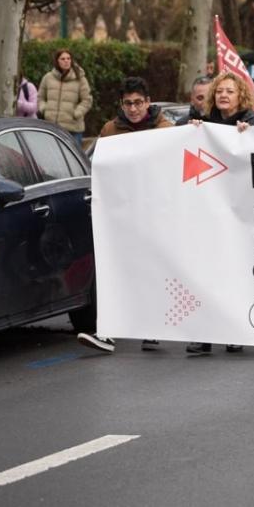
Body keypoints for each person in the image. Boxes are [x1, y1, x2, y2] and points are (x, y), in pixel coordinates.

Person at [76, 77, 175, 354]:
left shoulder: (166, 129)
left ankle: (152, 327)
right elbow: (99, 167)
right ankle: (107, 331)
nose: (133, 108)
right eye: (128, 103)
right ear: (121, 104)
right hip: (121, 212)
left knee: (151, 269)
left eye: (138, 103)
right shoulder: (110, 130)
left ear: (148, 102)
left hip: (155, 211)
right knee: (115, 271)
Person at [185, 72, 254, 355]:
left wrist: (252, 135)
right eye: (219, 91)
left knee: (235, 273)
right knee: (206, 274)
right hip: (208, 213)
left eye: (229, 91)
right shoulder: (201, 124)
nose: (223, 95)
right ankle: (204, 333)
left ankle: (234, 330)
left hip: (241, 212)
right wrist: (192, 130)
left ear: (240, 95)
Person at [38, 48, 93, 147]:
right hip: (52, 127)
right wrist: (44, 109)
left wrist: (76, 113)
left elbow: (87, 100)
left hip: (73, 128)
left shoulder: (80, 79)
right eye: (63, 59)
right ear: (57, 61)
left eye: (68, 58)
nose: (66, 61)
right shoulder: (48, 78)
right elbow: (40, 97)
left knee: (73, 155)